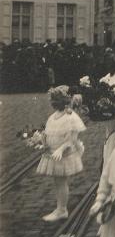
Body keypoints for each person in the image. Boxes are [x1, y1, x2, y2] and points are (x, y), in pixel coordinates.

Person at [37, 86, 86, 222]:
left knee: (61, 181)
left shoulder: (70, 116)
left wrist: (61, 149)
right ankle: (60, 207)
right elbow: (49, 132)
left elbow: (72, 138)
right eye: (52, 99)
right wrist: (42, 140)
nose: (53, 102)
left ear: (65, 99)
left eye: (56, 99)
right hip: (53, 153)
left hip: (64, 154)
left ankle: (62, 209)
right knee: (57, 181)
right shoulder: (53, 116)